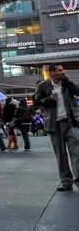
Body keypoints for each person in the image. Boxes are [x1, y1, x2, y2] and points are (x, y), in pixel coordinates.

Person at [35, 63, 79, 191]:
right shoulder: (43, 86)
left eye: (62, 69)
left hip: (71, 122)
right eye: (59, 70)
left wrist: (67, 80)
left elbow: (77, 91)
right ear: (52, 72)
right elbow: (37, 101)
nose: (62, 72)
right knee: (61, 154)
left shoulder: (67, 83)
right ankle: (66, 181)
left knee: (76, 153)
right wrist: (48, 99)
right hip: (54, 124)